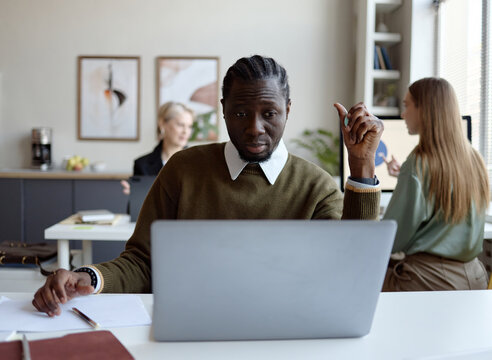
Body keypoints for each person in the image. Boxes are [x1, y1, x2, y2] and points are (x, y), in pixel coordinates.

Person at [33, 55, 384, 316]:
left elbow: (348, 271)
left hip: (284, 330)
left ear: (287, 110)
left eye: (270, 113)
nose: (254, 128)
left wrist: (362, 166)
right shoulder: (184, 169)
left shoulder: (316, 187)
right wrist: (89, 277)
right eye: (241, 113)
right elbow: (142, 262)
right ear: (223, 110)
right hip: (189, 325)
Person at [382, 77, 490, 291]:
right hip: (474, 277)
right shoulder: (475, 159)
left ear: (424, 109)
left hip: (429, 281)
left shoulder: (418, 163)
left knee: (359, 281)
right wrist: (403, 177)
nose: (403, 114)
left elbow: (391, 237)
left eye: (406, 106)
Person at [120, 101, 194, 195]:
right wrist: (136, 195)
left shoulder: (197, 163)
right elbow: (141, 205)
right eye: (180, 125)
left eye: (189, 126)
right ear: (162, 124)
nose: (186, 131)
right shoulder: (142, 164)